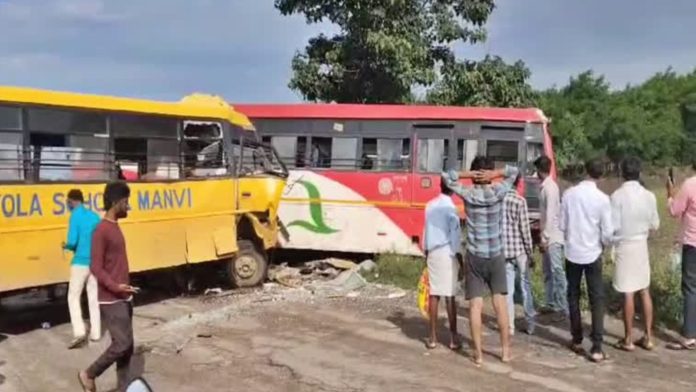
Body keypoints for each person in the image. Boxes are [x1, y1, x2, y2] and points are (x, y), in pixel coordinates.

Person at [442, 156, 519, 365]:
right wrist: (497, 173)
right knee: (500, 304)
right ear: (489, 174)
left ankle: (478, 355)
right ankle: (505, 352)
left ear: (476, 174)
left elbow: (446, 178)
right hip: (495, 255)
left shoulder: (468, 193)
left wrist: (467, 174)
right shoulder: (498, 191)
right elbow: (515, 171)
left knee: (475, 307)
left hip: (475, 256)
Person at [79, 181, 139, 392]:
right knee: (121, 344)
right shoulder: (101, 230)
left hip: (123, 297)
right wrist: (115, 287)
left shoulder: (114, 227)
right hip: (111, 299)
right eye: (125, 202)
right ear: (115, 202)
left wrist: (126, 289)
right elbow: (95, 267)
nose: (128, 206)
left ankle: (123, 388)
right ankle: (89, 374)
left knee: (127, 348)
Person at [560, 158, 613, 362]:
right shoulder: (602, 199)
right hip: (593, 252)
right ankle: (597, 346)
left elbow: (562, 225)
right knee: (596, 298)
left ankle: (576, 337)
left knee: (573, 295)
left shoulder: (569, 194)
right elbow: (607, 232)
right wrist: (603, 244)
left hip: (572, 251)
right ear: (601, 175)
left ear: (585, 172)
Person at [610, 157, 659, 351]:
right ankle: (648, 336)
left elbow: (612, 226)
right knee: (644, 290)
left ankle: (628, 338)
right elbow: (655, 224)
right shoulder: (649, 196)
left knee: (627, 291)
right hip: (641, 244)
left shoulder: (617, 196)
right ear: (639, 173)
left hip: (624, 245)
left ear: (623, 173)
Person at [423, 177, 463, 350]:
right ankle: (453, 338)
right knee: (450, 296)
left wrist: (426, 253)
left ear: (440, 186)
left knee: (434, 294)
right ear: (453, 189)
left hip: (432, 252)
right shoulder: (451, 208)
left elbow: (425, 231)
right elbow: (455, 238)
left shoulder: (429, 205)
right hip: (447, 253)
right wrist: (460, 260)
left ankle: (432, 337)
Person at [64, 189, 102, 349]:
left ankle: (79, 332)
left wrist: (65, 246)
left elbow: (72, 241)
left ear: (72, 201)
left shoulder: (75, 216)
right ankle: (96, 333)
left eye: (68, 202)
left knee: (73, 297)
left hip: (80, 262)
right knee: (93, 298)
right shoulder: (94, 216)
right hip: (94, 262)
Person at [666, 162, 696, 350]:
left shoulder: (690, 185)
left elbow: (674, 211)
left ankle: (690, 334)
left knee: (691, 287)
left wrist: (670, 195)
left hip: (692, 243)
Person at [534, 156, 568, 319]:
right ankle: (550, 302)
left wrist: (544, 238)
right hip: (548, 235)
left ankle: (562, 307)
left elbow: (551, 214)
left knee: (556, 271)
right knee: (548, 271)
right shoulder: (547, 187)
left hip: (553, 237)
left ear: (539, 170)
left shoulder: (550, 188)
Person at [502, 174, 536, 336]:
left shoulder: (499, 201)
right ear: (518, 183)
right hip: (520, 252)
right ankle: (530, 324)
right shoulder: (520, 201)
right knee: (525, 287)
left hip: (505, 251)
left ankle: (510, 326)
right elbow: (525, 230)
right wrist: (530, 252)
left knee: (507, 290)